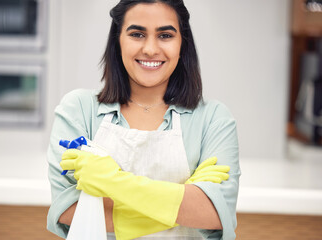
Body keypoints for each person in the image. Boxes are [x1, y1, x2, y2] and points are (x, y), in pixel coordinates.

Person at [47, 0, 240, 239]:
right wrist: (185, 200)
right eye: (137, 34)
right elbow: (68, 211)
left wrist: (113, 181)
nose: (150, 49)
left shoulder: (213, 119)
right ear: (118, 41)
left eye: (165, 35)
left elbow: (214, 214)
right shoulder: (78, 110)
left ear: (182, 44)